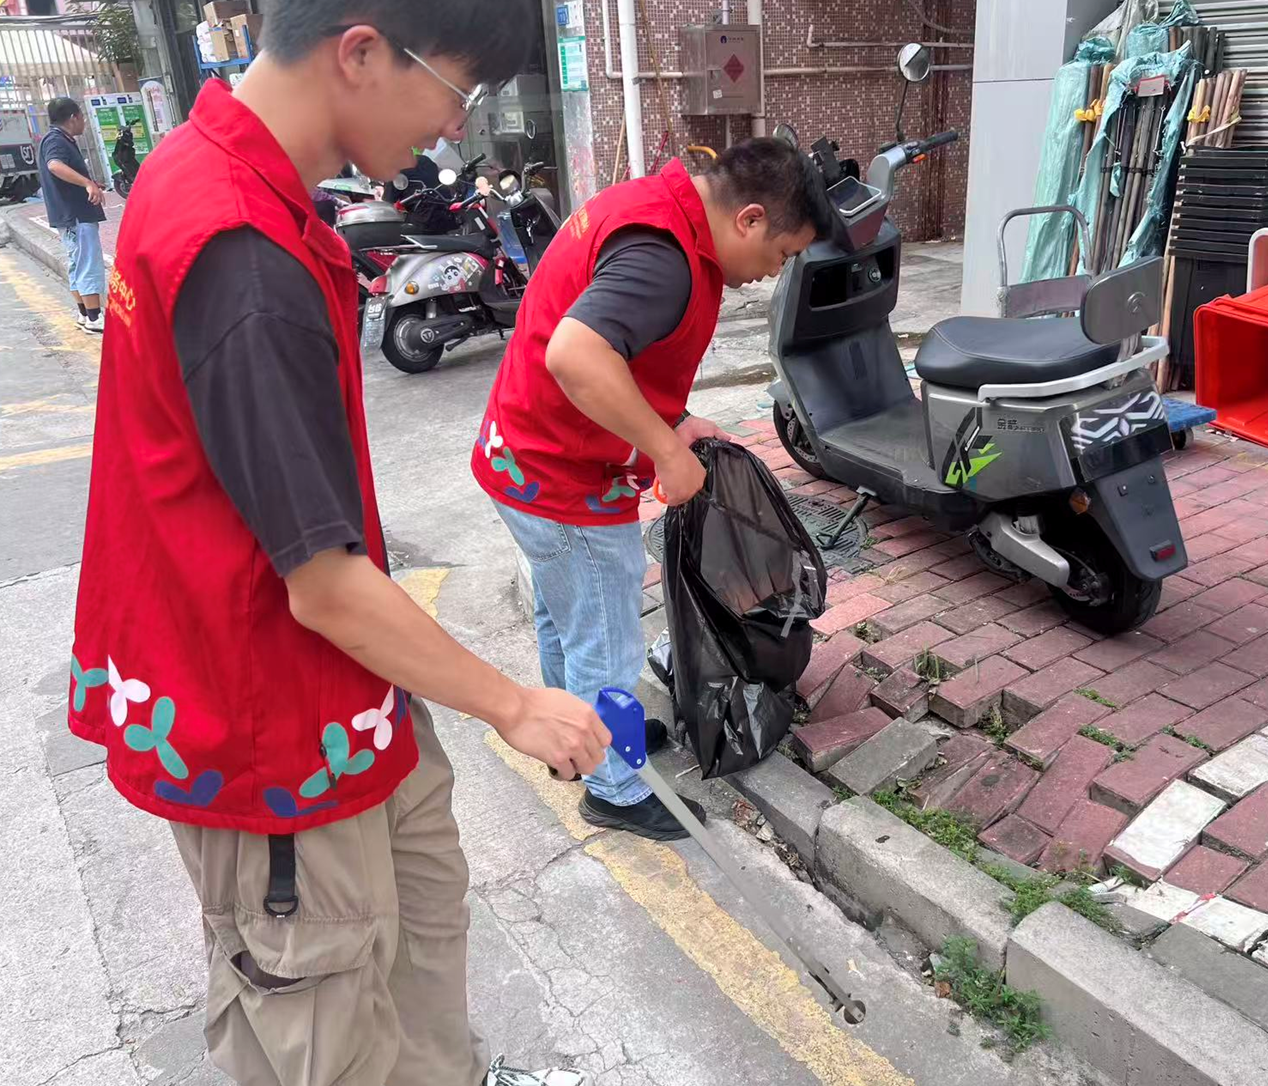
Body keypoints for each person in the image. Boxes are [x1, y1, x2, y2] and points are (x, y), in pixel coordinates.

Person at [66, 3, 608, 1085]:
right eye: (458, 94)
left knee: (417, 942)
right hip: (268, 723)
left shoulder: (214, 170)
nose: (454, 132)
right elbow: (320, 585)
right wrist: (513, 703)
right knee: (325, 1023)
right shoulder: (239, 253)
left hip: (345, 702)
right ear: (360, 51)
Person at [474, 139, 832, 840]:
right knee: (606, 641)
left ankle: (582, 740)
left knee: (567, 621)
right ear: (751, 220)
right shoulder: (665, 258)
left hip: (518, 456)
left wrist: (671, 418)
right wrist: (666, 451)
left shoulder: (654, 208)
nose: (773, 274)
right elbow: (577, 353)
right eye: (783, 255)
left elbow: (615, 346)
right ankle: (612, 786)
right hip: (563, 478)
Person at [38, 97, 107, 333]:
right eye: (82, 117)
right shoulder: (56, 140)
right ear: (73, 118)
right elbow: (54, 165)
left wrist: (89, 183)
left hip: (69, 213)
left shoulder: (59, 139)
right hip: (75, 214)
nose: (84, 122)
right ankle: (95, 318)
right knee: (88, 262)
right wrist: (87, 183)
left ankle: (83, 313)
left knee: (77, 263)